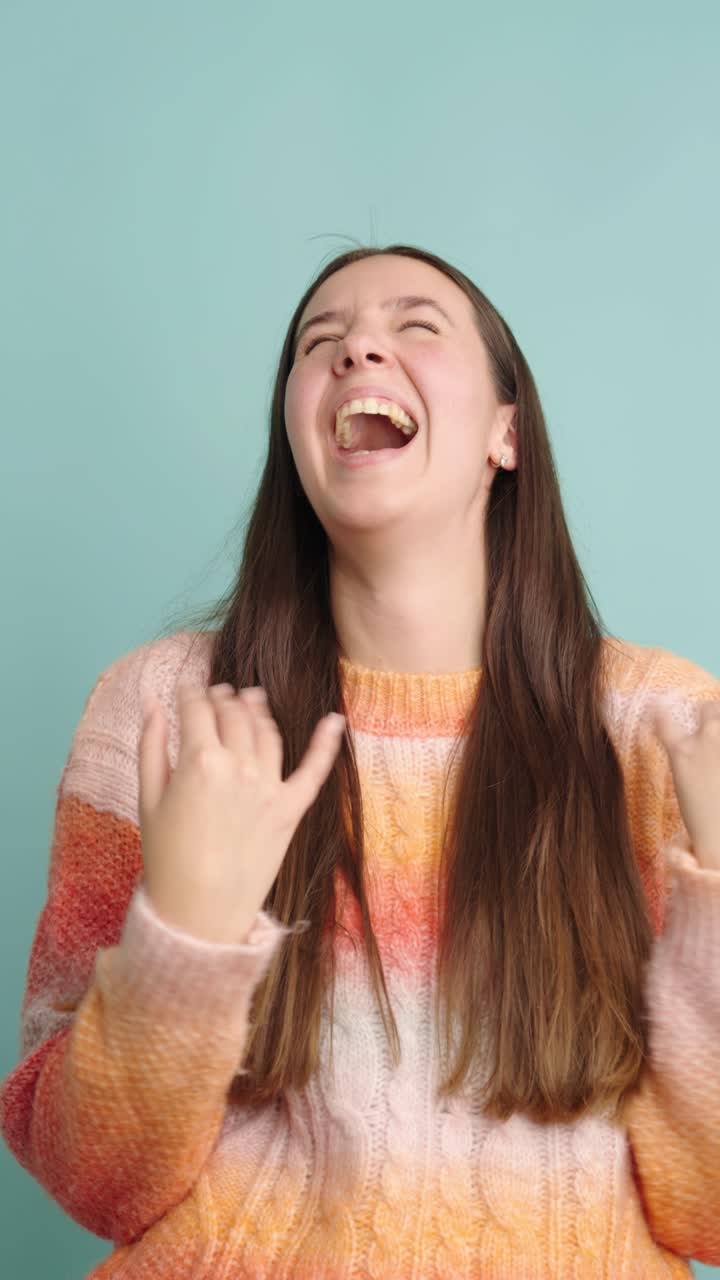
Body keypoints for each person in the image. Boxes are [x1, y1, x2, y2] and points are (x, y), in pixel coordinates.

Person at [1, 244, 719, 1279]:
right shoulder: (161, 711)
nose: (359, 348)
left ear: (506, 432)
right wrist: (187, 932)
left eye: (415, 324)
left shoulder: (663, 726)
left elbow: (708, 1207)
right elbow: (91, 1178)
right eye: (319, 342)